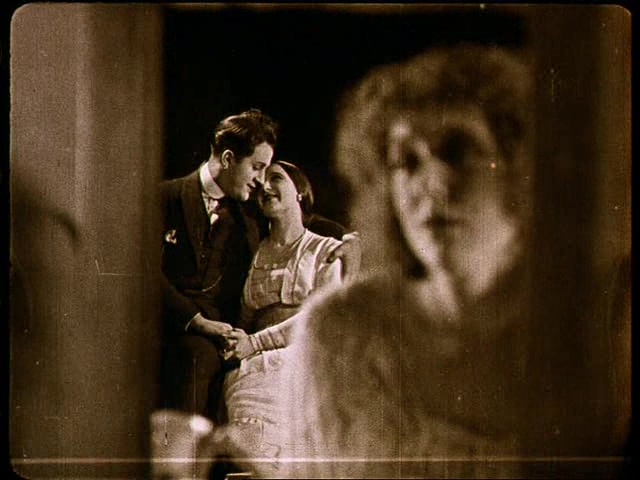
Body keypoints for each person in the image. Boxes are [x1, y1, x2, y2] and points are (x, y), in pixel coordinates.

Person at [271, 44, 630, 479]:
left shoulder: (602, 322)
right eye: (407, 162)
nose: (433, 185)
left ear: (521, 169)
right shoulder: (338, 333)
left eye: (457, 152)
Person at [158, 109, 358, 418]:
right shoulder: (164, 197)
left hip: (226, 337)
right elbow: (142, 272)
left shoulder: (250, 207)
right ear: (228, 159)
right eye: (257, 167)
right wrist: (195, 320)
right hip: (171, 318)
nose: (262, 181)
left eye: (268, 173)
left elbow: (299, 217)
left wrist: (349, 239)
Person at [198, 161, 345, 477]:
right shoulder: (252, 253)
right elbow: (244, 319)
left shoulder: (326, 250)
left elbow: (321, 318)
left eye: (276, 178)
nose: (265, 186)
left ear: (300, 193)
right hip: (252, 365)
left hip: (304, 354)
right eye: (261, 180)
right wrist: (235, 339)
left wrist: (254, 343)